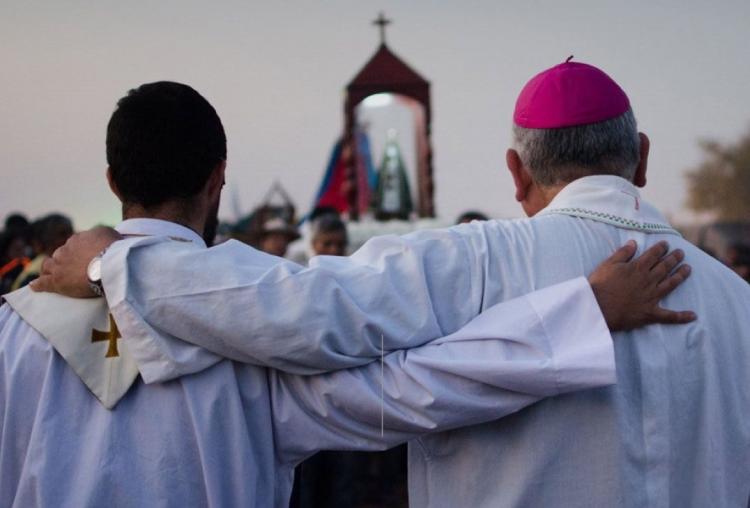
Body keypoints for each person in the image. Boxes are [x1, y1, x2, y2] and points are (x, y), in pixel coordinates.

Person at [2, 80, 691, 507]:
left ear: (112, 179)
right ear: (218, 179)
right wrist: (580, 315)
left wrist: (108, 268)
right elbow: (420, 389)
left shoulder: (13, 331)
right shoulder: (252, 343)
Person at [11, 213, 73, 290]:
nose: (70, 237)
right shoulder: (35, 273)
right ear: (47, 240)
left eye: (71, 231)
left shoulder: (68, 261)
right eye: (62, 234)